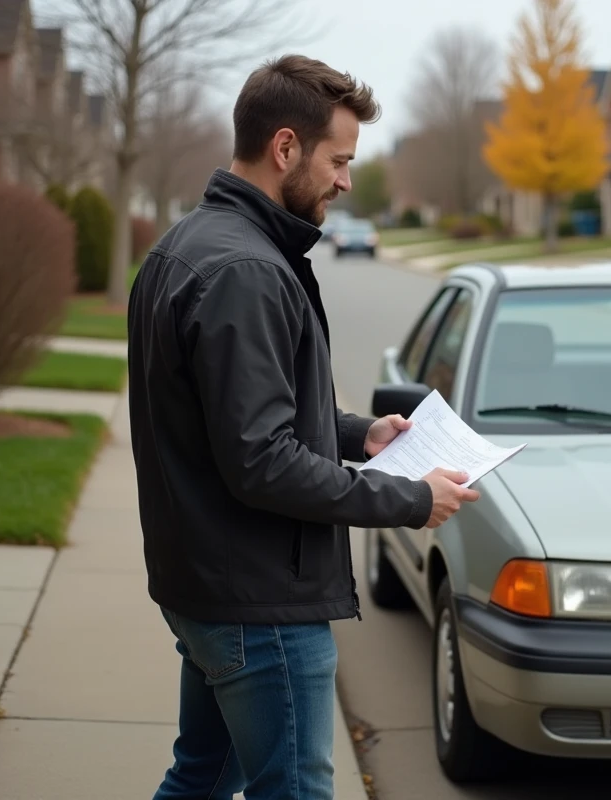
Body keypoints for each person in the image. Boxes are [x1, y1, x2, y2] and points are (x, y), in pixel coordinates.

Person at [126, 54, 480, 800]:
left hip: (209, 587)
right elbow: (262, 461)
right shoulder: (246, 271)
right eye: (339, 160)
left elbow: (233, 418)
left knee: (200, 778)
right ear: (285, 148)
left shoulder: (188, 247)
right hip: (258, 607)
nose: (346, 181)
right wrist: (410, 500)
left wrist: (360, 436)